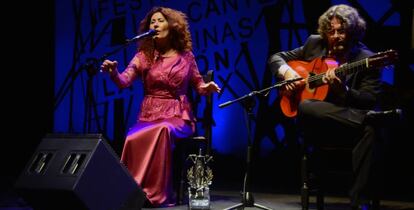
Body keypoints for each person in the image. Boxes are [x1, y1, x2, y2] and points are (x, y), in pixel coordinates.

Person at [267, 4, 401, 209]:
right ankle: (371, 118)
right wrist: (287, 72)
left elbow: (368, 100)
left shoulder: (366, 59)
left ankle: (358, 203)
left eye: (342, 31)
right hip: (318, 126)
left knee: (370, 131)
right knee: (306, 106)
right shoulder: (314, 44)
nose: (336, 36)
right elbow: (276, 57)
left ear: (353, 32)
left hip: (349, 128)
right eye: (332, 31)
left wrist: (344, 92)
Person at [100, 7, 221, 207]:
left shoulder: (186, 56)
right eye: (152, 22)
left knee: (162, 130)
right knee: (132, 136)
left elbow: (198, 85)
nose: (154, 24)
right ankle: (132, 191)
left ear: (172, 26)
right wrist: (114, 72)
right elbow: (124, 81)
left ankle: (155, 195)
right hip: (148, 115)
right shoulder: (143, 56)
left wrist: (206, 87)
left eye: (160, 20)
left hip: (178, 116)